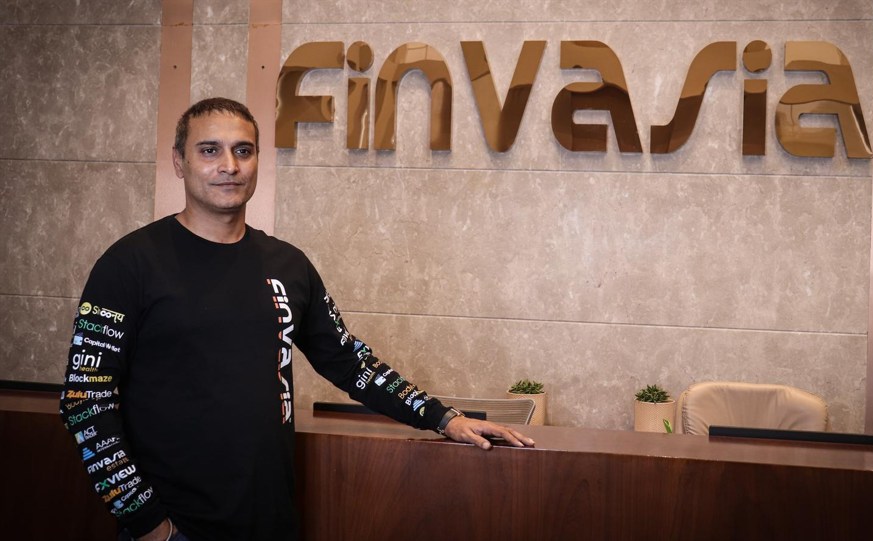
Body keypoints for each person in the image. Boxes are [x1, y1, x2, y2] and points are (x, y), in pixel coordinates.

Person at [60, 97, 534, 541]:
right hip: (177, 527)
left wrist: (443, 418)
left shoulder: (287, 265)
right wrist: (148, 525)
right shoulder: (129, 264)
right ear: (179, 162)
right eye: (209, 150)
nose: (229, 165)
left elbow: (350, 362)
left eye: (243, 150)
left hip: (272, 520)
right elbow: (86, 400)